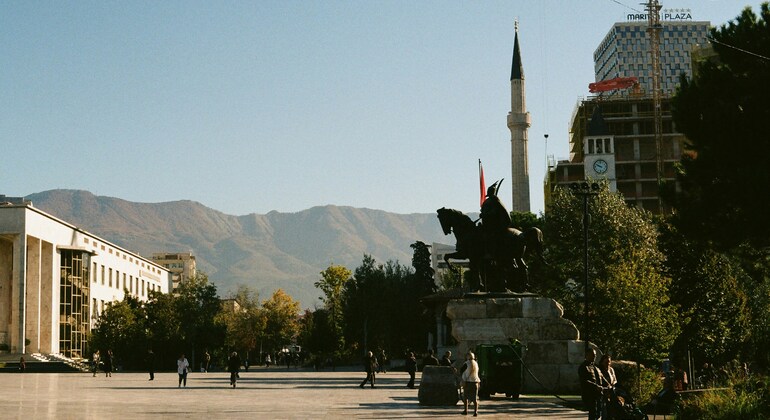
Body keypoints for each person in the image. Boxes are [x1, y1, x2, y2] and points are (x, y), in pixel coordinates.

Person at [578, 347, 607, 420]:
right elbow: (584, 380)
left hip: (598, 394)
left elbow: (602, 378)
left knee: (598, 413)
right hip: (590, 395)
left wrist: (608, 385)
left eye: (595, 355)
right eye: (593, 355)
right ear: (587, 355)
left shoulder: (596, 367)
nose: (594, 357)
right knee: (593, 413)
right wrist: (596, 386)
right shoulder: (584, 367)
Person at [461, 351, 481, 416]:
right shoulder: (476, 363)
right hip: (475, 382)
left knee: (466, 397)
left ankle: (466, 410)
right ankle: (475, 412)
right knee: (475, 398)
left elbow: (461, 371)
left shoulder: (466, 363)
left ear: (468, 357)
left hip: (468, 382)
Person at [598, 354, 617, 419]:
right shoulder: (599, 370)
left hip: (611, 391)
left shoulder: (611, 370)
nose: (608, 363)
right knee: (604, 410)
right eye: (606, 362)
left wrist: (612, 385)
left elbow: (614, 379)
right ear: (602, 362)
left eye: (609, 362)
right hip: (603, 392)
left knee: (612, 410)